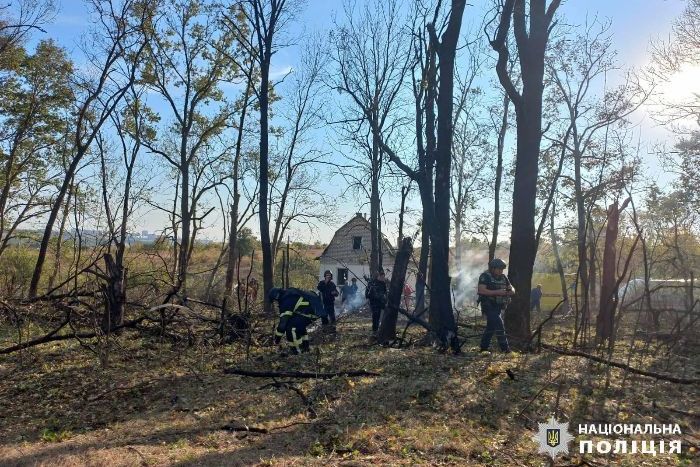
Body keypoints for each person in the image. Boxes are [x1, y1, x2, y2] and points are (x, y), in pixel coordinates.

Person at [269, 287, 324, 354]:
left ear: (277, 296)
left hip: (310, 313)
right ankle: (305, 348)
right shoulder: (288, 293)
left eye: (275, 300)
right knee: (299, 324)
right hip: (312, 311)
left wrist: (276, 340)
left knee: (290, 327)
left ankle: (296, 351)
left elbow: (283, 323)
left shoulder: (286, 301)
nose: (276, 303)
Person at [477, 258, 514, 353]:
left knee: (491, 326)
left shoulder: (503, 277)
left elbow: (512, 290)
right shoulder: (485, 276)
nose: (501, 271)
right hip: (488, 305)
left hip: (498, 305)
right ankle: (505, 350)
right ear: (493, 268)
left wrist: (509, 292)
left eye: (502, 269)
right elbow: (481, 290)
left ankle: (483, 348)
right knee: (499, 325)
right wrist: (497, 292)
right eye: (499, 269)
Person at [365, 270, 388, 334]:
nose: (383, 278)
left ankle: (381, 328)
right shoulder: (372, 283)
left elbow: (385, 293)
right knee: (375, 316)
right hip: (374, 303)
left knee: (382, 315)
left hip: (381, 302)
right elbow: (367, 293)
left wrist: (385, 299)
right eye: (382, 277)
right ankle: (375, 330)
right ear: (379, 276)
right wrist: (371, 297)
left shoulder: (383, 283)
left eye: (384, 277)